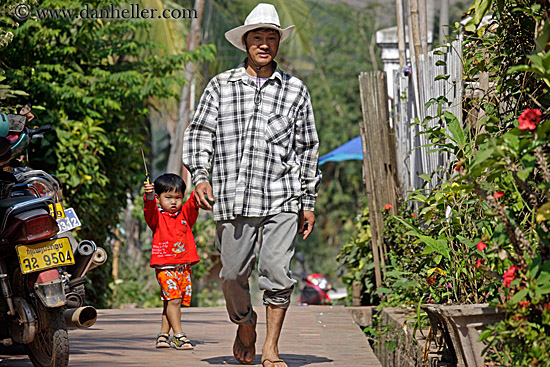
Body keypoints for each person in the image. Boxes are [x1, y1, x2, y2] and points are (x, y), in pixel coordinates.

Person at [182, 3, 321, 367]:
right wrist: (199, 176)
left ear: (278, 43)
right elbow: (199, 133)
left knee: (276, 271)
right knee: (231, 274)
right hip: (233, 196)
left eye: (270, 38)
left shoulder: (295, 91)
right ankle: (245, 323)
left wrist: (308, 201)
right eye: (257, 38)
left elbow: (307, 147)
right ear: (245, 43)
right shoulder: (220, 86)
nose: (264, 44)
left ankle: (271, 348)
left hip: (282, 196)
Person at [143, 173, 200, 350]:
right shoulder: (156, 218)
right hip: (164, 267)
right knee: (174, 299)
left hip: (183, 267)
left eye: (178, 197)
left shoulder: (185, 215)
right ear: (159, 198)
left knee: (170, 301)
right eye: (168, 197)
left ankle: (163, 335)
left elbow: (193, 203)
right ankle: (179, 335)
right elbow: (149, 208)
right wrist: (149, 196)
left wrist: (199, 184)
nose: (174, 202)